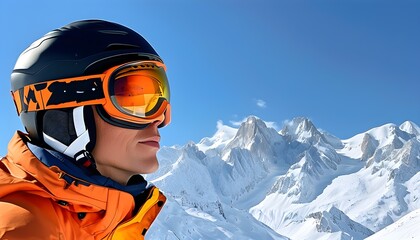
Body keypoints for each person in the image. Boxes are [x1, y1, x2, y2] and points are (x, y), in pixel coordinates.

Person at [0, 19, 170, 239]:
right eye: (132, 98)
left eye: (160, 98)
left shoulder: (103, 218)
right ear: (65, 113)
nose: (160, 119)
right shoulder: (24, 228)